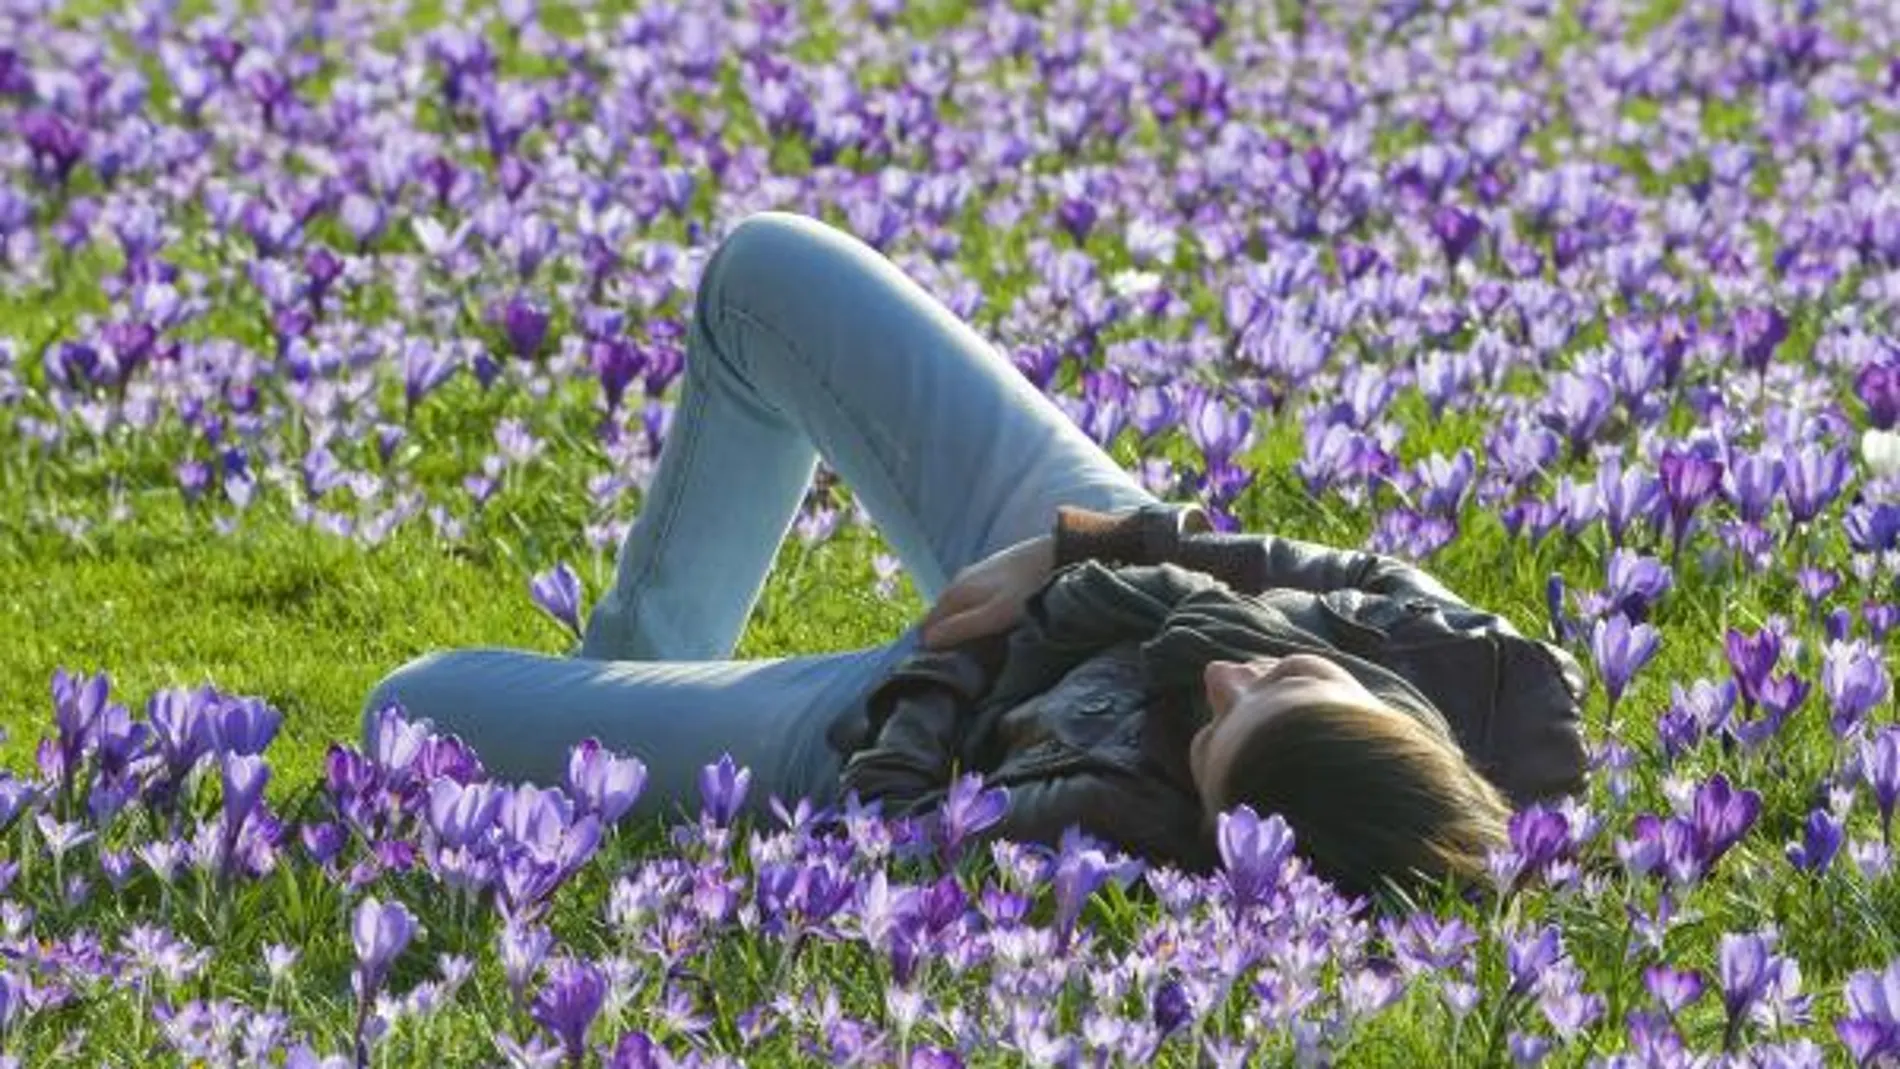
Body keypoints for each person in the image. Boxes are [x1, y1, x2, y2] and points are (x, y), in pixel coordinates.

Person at [363, 211, 1589, 897]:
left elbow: (896, 826)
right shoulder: (1497, 682)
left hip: (901, 713)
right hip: (1079, 560)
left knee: (405, 712)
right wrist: (1064, 553)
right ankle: (632, 664)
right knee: (764, 271)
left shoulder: (1126, 827)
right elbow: (1286, 567)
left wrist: (950, 669)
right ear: (1395, 718)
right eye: (1281, 679)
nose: (1224, 683)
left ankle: (604, 731)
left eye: (1218, 736)